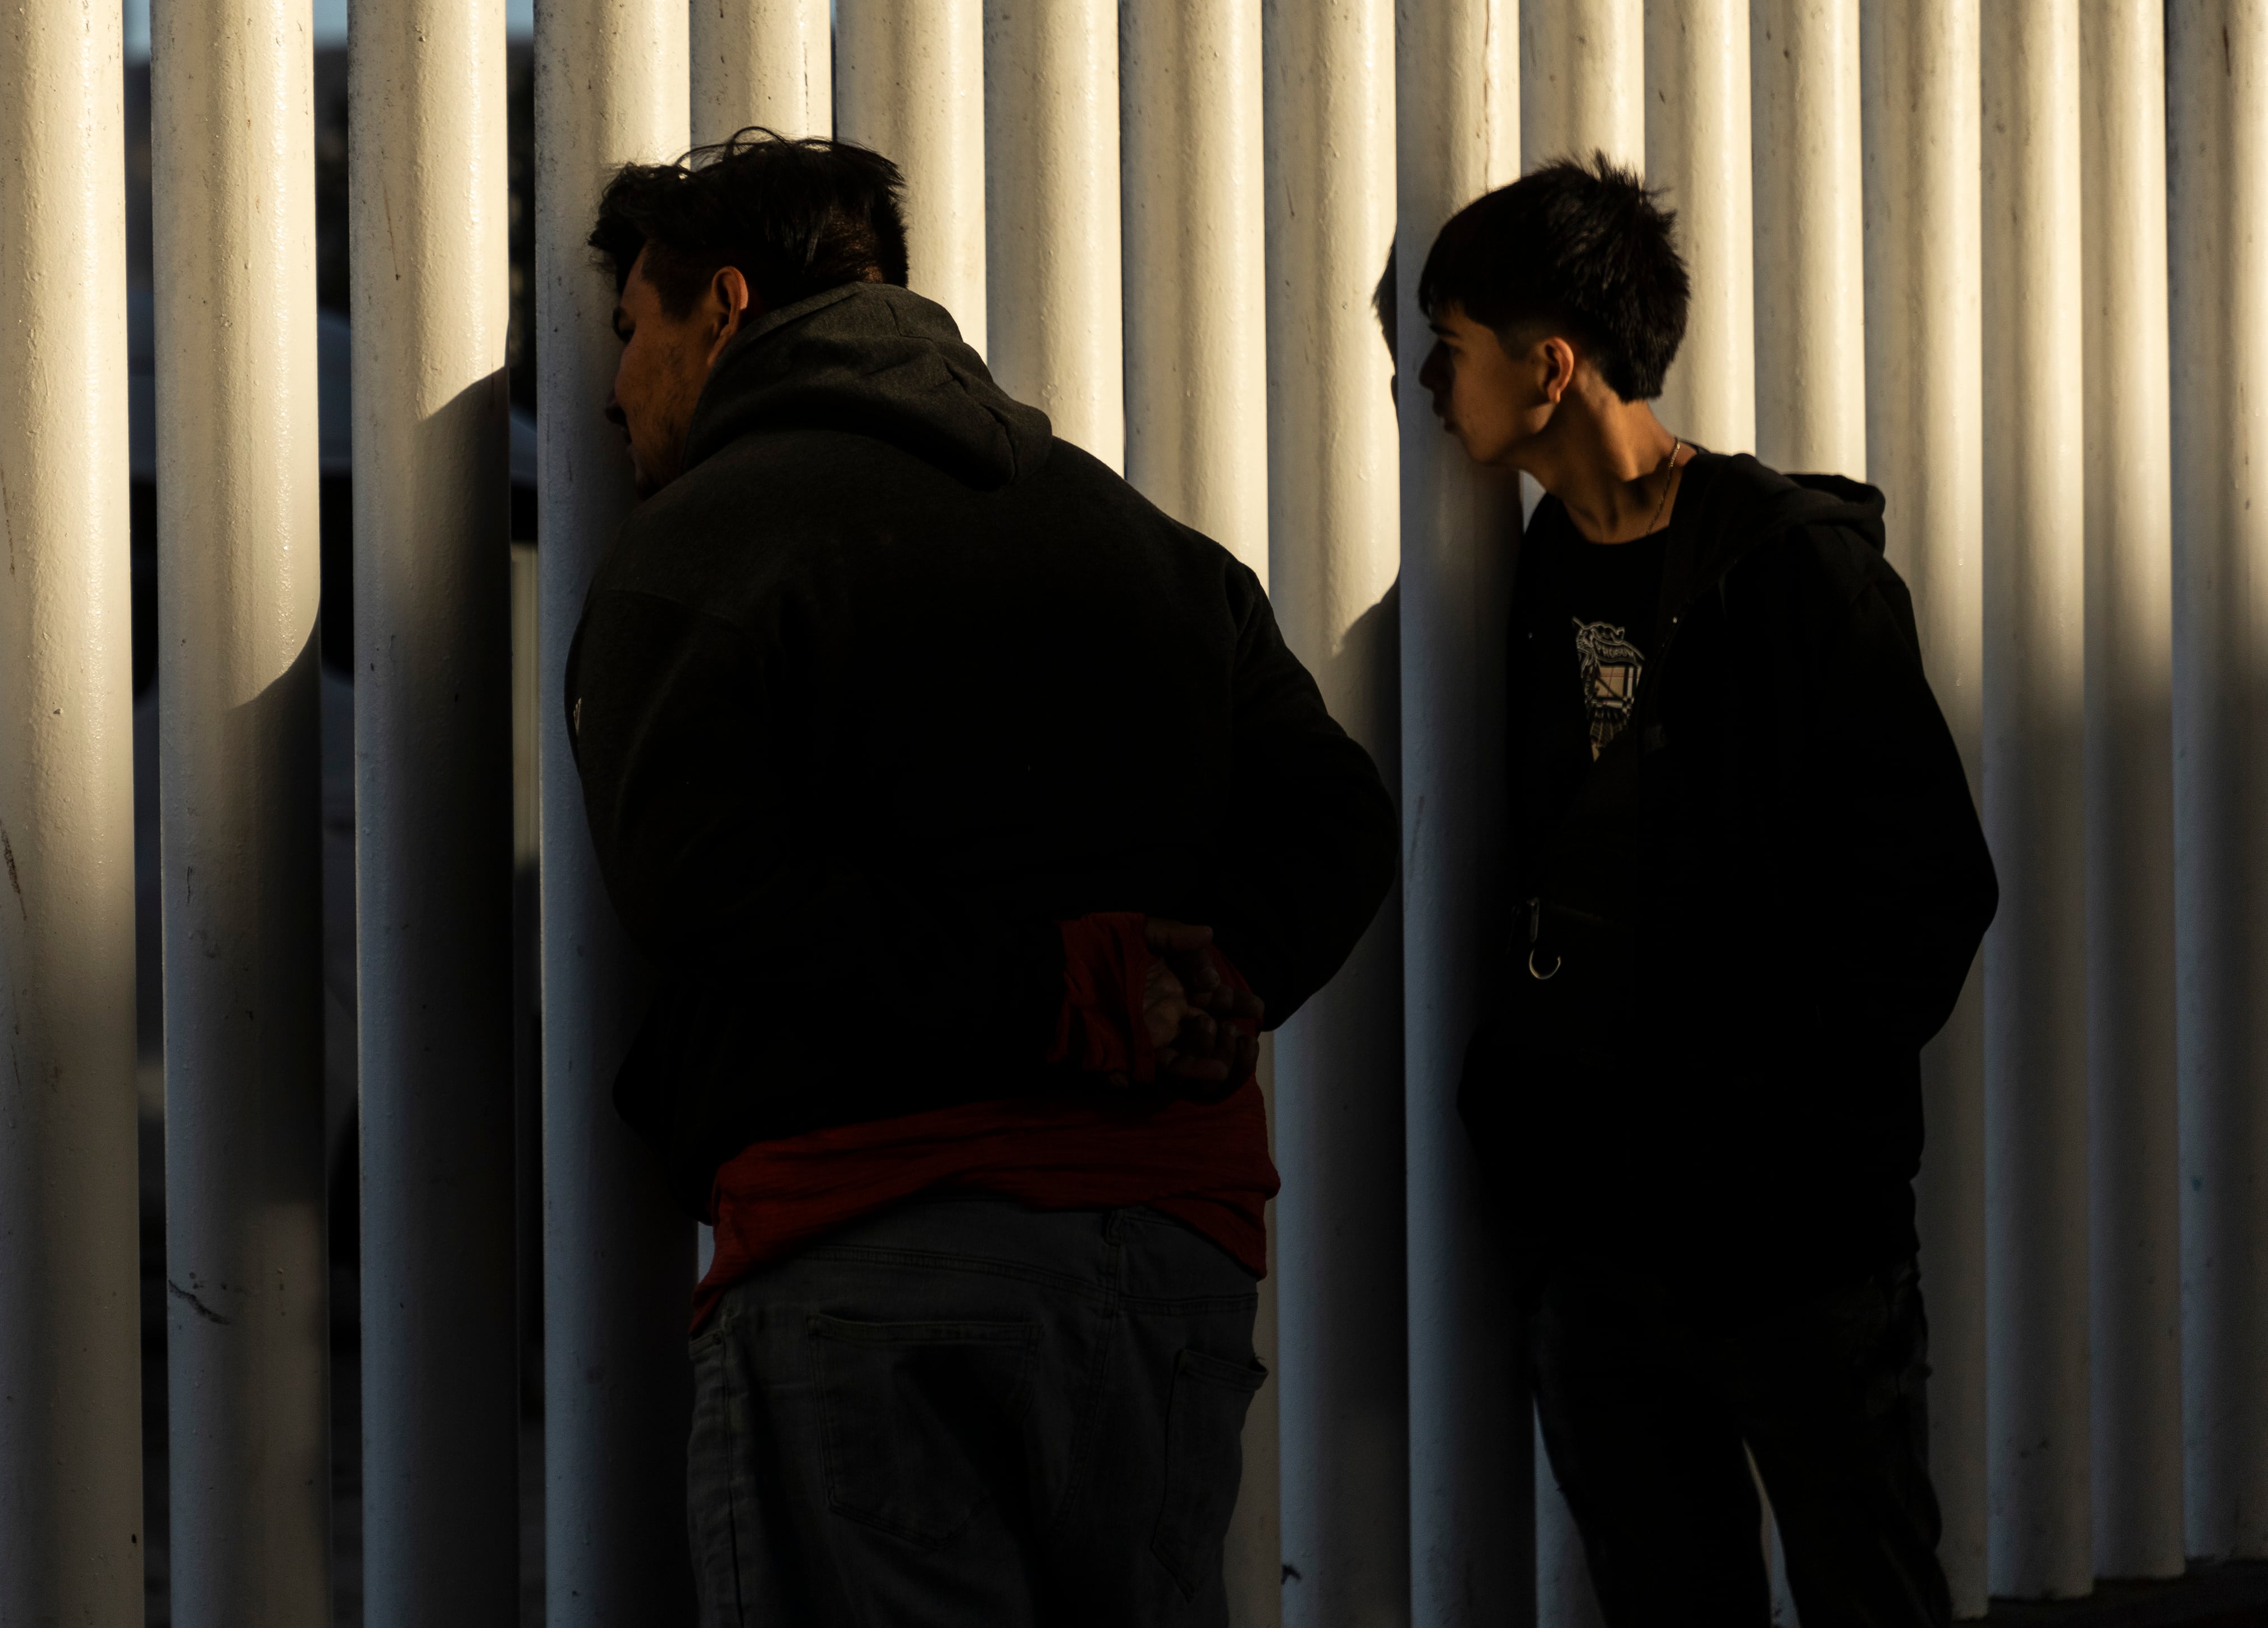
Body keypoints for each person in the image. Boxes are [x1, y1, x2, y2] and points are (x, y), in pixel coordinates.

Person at [563, 130, 1398, 1626]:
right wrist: (1208, 980)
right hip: (1172, 1260)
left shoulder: (703, 547)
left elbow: (702, 888)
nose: (614, 385)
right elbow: (1337, 814)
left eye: (632, 331)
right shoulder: (1139, 537)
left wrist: (1054, 995)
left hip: (869, 1245)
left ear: (725, 307)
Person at [1411, 157, 1997, 1628]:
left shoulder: (1792, 576)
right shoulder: (1542, 568)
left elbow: (1932, 888)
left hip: (1789, 1239)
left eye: (1451, 345)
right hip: (1602, 1249)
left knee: (1871, 1590)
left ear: (1548, 368)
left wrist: (1781, 1123)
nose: (1429, 384)